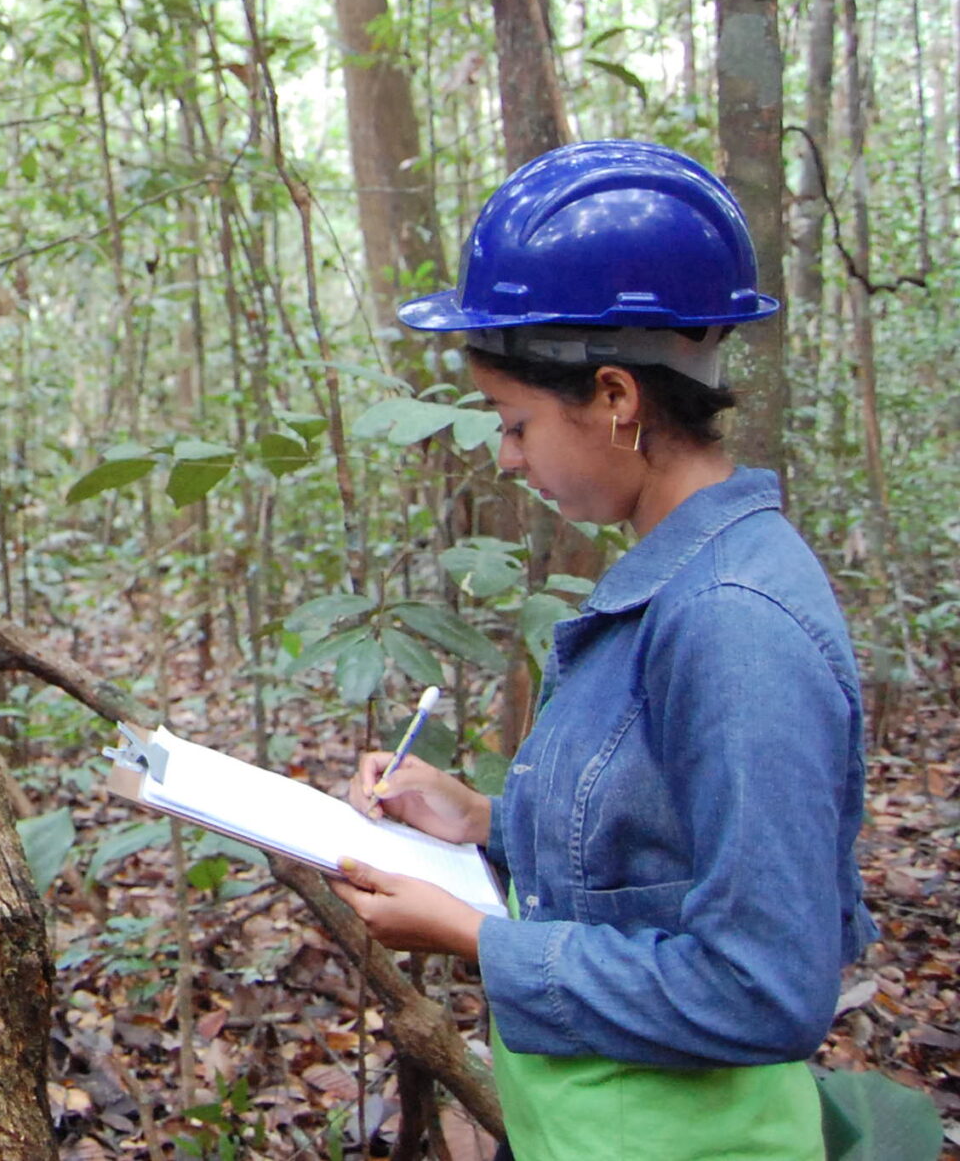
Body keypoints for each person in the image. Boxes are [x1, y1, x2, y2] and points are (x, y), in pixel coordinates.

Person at [328, 140, 873, 1161]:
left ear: (616, 398)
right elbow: (655, 851)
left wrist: (472, 936)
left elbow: (762, 987)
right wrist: (482, 823)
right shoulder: (672, 582)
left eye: (515, 421)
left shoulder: (734, 619)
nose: (506, 455)